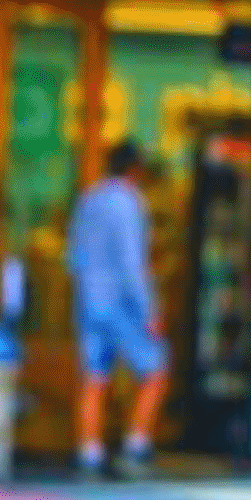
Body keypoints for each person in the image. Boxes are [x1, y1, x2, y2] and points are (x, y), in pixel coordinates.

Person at [68, 138, 168, 480]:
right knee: (155, 370)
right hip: (121, 303)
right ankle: (136, 446)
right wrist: (150, 309)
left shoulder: (88, 200)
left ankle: (89, 451)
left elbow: (74, 257)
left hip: (89, 299)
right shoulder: (129, 203)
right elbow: (131, 262)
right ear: (135, 168)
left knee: (94, 377)